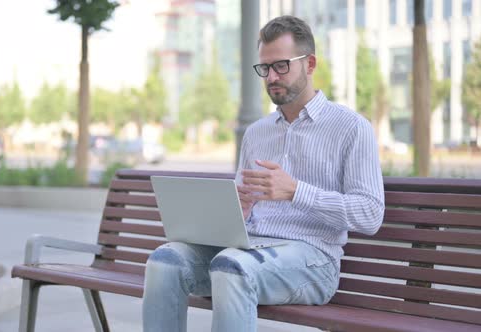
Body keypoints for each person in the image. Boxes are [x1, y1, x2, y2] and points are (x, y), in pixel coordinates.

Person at [142, 15, 384, 332]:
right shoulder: (257, 133)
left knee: (232, 267)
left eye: (281, 65)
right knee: (165, 261)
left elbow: (370, 214)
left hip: (314, 261)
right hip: (249, 250)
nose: (271, 77)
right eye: (265, 68)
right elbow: (243, 208)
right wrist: (237, 211)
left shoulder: (352, 128)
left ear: (310, 64)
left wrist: (296, 191)